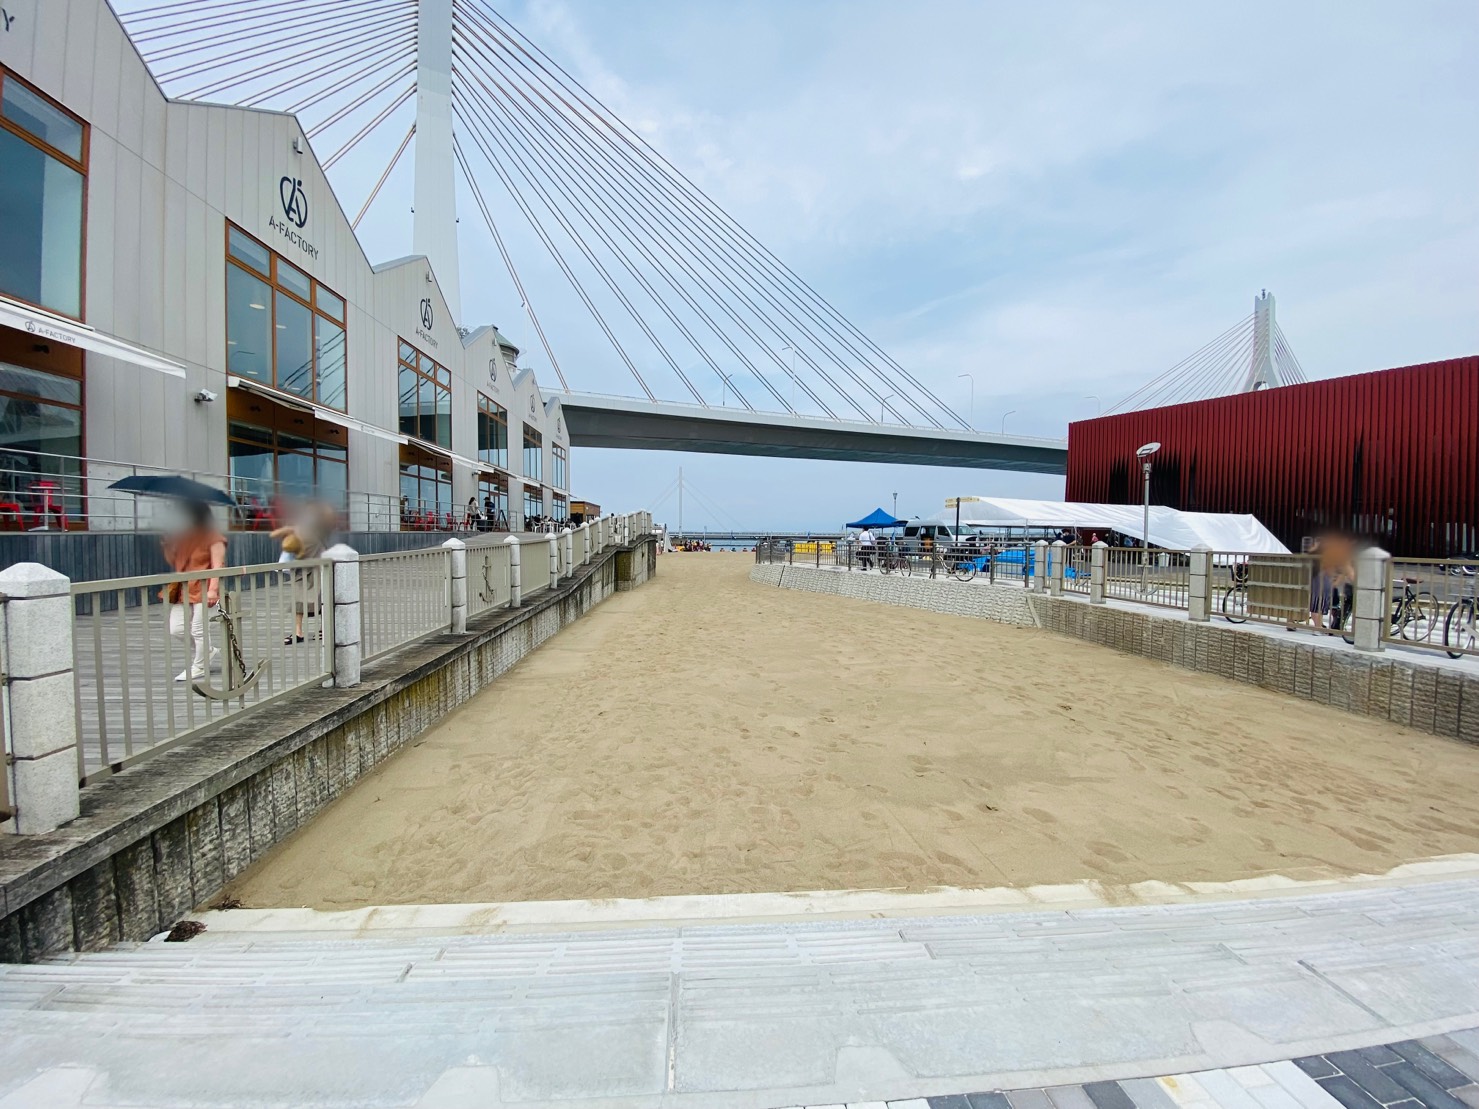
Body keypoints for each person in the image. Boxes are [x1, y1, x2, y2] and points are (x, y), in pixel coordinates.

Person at [161, 500, 227, 682]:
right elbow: (175, 562)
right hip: (184, 587)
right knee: (176, 629)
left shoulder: (214, 537)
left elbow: (218, 565)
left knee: (199, 629)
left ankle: (199, 666)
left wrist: (213, 590)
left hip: (204, 586)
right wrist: (167, 545)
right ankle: (208, 651)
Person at [1308, 529, 1356, 630]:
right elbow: (1346, 569)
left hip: (1318, 579)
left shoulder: (1320, 550)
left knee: (1318, 605)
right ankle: (1319, 627)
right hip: (1324, 580)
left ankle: (1319, 626)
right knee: (1320, 606)